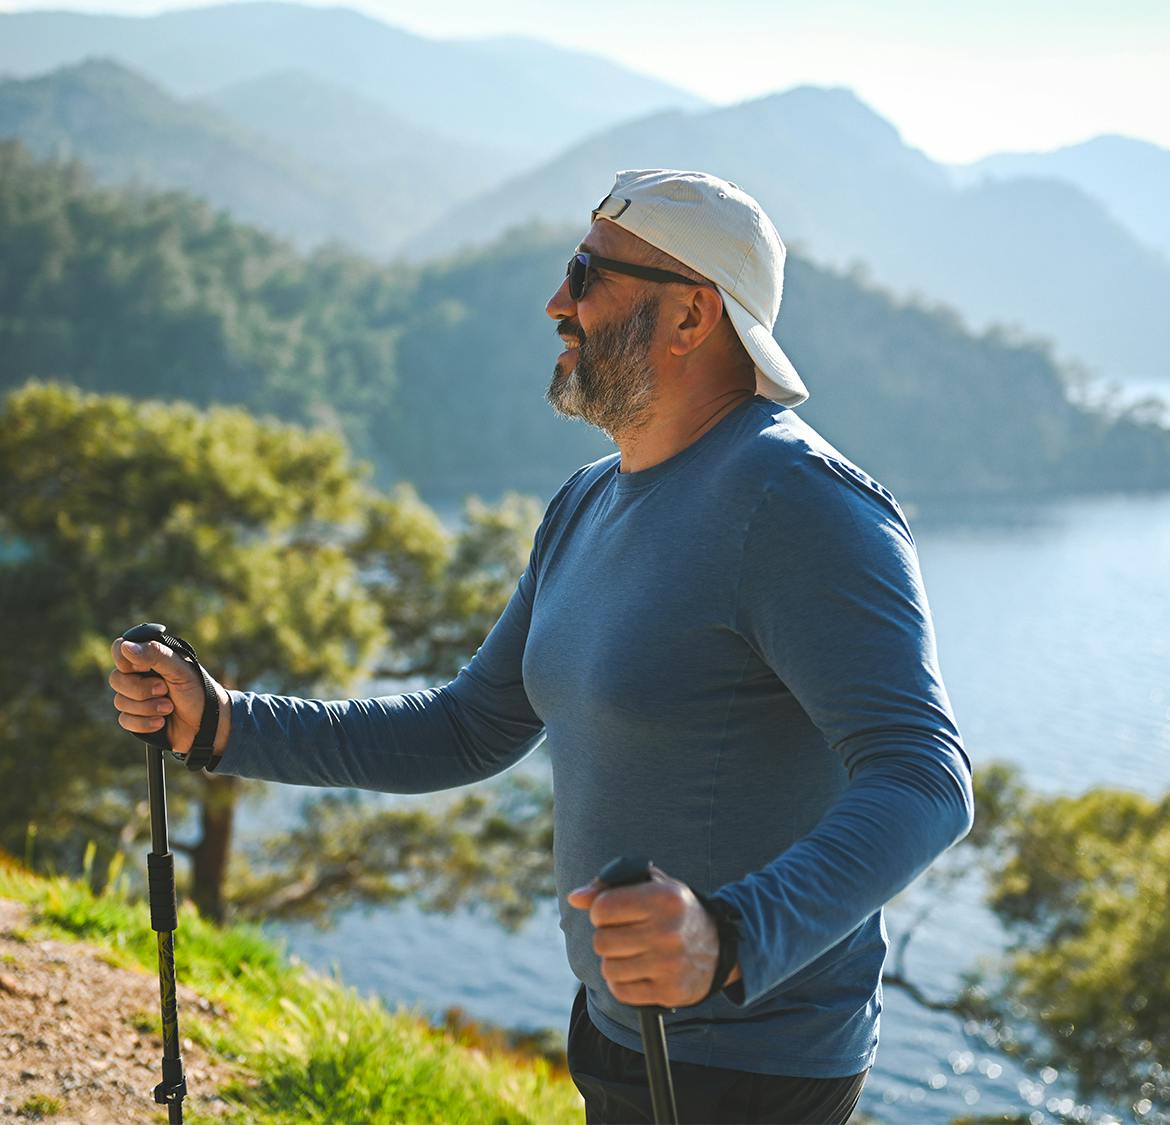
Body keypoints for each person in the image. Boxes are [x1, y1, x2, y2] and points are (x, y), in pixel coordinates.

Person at [109, 168, 975, 1125]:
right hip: (612, 1031)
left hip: (756, 1068)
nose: (558, 302)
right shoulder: (587, 502)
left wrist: (729, 937)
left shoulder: (803, 504)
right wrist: (225, 722)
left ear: (691, 316)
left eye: (587, 273)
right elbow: (470, 726)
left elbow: (926, 775)